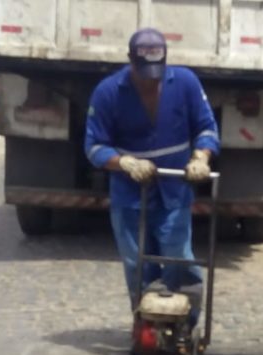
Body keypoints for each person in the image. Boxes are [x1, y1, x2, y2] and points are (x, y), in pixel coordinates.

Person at [84, 28, 220, 312]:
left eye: (156, 72)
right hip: (129, 195)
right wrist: (123, 163)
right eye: (144, 72)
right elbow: (94, 146)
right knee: (137, 262)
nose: (150, 81)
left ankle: (186, 323)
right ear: (130, 61)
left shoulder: (185, 83)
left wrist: (201, 157)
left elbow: (206, 127)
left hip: (174, 191)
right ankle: (143, 322)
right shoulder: (108, 92)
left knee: (178, 257)